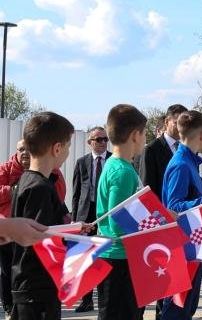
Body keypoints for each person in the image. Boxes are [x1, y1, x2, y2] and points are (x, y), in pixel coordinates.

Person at [160, 111, 202, 320]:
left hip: (190, 246)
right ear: (201, 135)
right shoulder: (181, 164)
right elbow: (173, 206)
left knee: (186, 308)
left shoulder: (188, 162)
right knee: (177, 310)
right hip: (181, 248)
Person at [10, 112, 75, 320]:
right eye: (68, 146)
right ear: (57, 148)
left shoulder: (28, 180)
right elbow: (40, 240)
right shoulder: (40, 188)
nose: (68, 152)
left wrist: (72, 228)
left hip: (31, 287)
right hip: (38, 290)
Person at [97, 104, 148, 320]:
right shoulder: (122, 171)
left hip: (119, 257)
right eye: (144, 134)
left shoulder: (118, 165)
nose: (145, 139)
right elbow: (117, 220)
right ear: (135, 135)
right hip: (119, 259)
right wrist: (152, 227)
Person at [71, 126, 112, 312]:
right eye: (99, 139)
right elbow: (76, 192)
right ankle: (87, 299)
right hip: (86, 214)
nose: (103, 143)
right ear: (90, 142)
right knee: (85, 258)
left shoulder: (113, 160)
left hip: (106, 213)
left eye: (105, 139)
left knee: (104, 256)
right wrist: (75, 220)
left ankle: (105, 298)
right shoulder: (82, 162)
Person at [0, 139, 29, 315]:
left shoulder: (42, 169)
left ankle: (23, 307)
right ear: (16, 151)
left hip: (29, 230)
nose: (25, 152)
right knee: (7, 269)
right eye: (21, 149)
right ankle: (9, 306)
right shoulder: (5, 169)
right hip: (7, 229)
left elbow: (58, 191)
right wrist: (14, 190)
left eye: (28, 149)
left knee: (25, 270)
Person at [138, 103, 188, 200]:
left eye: (185, 124)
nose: (181, 128)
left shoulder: (187, 149)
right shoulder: (151, 150)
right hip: (162, 207)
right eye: (177, 123)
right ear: (166, 121)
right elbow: (147, 189)